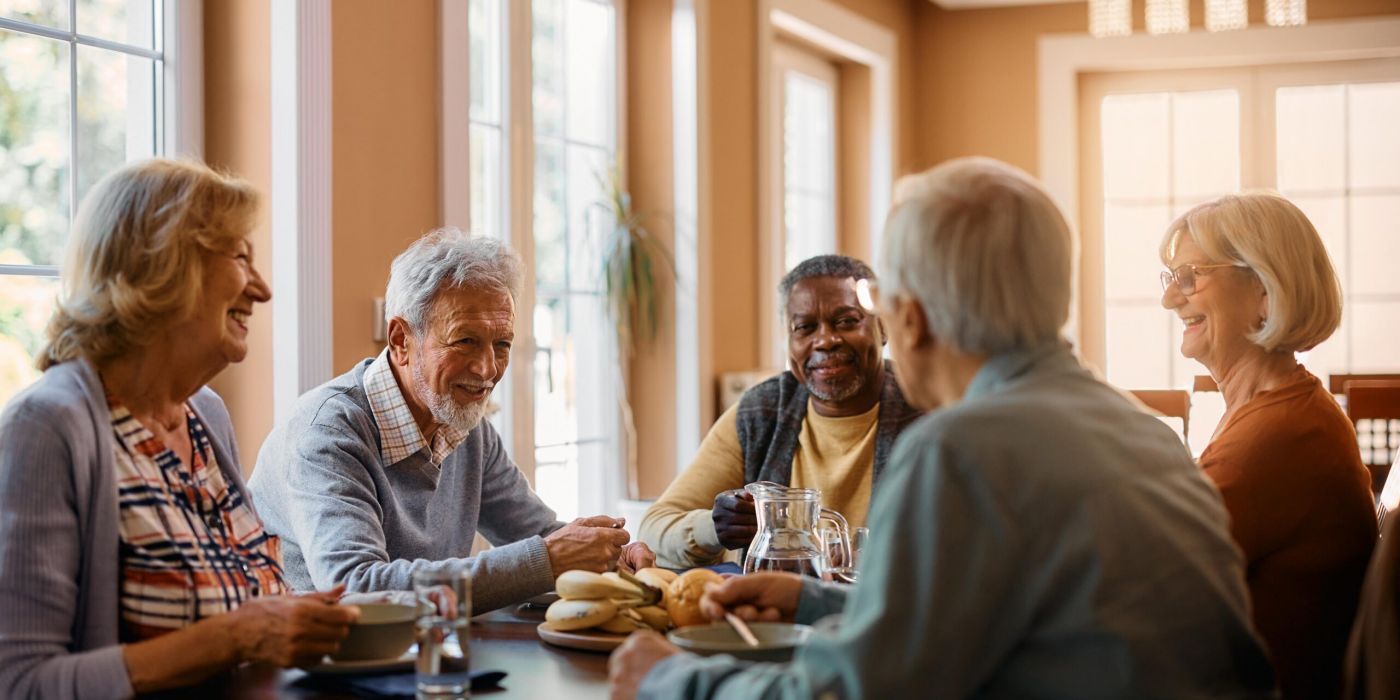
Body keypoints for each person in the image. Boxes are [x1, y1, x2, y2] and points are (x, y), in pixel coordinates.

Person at [609, 157, 1276, 699]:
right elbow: (990, 625)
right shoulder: (1147, 433)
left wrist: (668, 679)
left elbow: (854, 692)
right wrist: (810, 601)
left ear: (912, 318)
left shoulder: (959, 452)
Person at [0, 159, 359, 698]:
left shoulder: (204, 416)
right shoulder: (48, 428)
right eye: (241, 258)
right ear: (163, 266)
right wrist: (235, 637)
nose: (261, 290)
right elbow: (21, 683)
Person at [249, 228, 652, 612]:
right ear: (401, 340)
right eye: (465, 341)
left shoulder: (464, 424)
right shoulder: (327, 434)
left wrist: (608, 552)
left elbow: (538, 535)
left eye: (502, 344)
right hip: (307, 672)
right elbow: (357, 588)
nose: (487, 369)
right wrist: (546, 558)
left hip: (419, 656)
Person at [1159, 192, 1377, 699]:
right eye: (1172, 279)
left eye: (1191, 276)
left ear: (1263, 290)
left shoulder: (1280, 433)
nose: (1171, 298)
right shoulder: (1278, 410)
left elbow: (1145, 582)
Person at [639, 255, 921, 568]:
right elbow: (653, 529)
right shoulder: (762, 412)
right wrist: (714, 529)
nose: (825, 340)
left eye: (846, 321)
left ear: (882, 328)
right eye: (805, 327)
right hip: (773, 613)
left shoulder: (927, 407)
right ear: (789, 342)